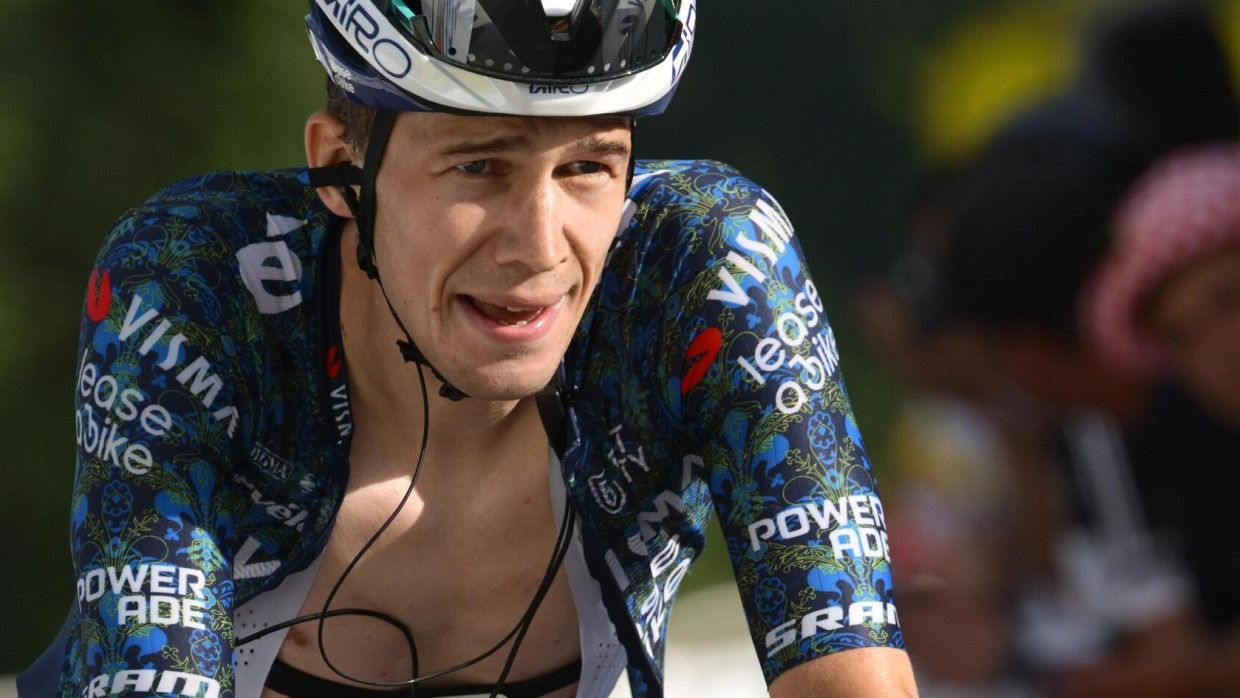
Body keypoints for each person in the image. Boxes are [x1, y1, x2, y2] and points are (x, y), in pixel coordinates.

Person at [18, 1, 916, 697]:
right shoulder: (197, 278)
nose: (536, 245)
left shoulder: (704, 266)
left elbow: (848, 666)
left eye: (588, 166)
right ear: (340, 168)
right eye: (479, 167)